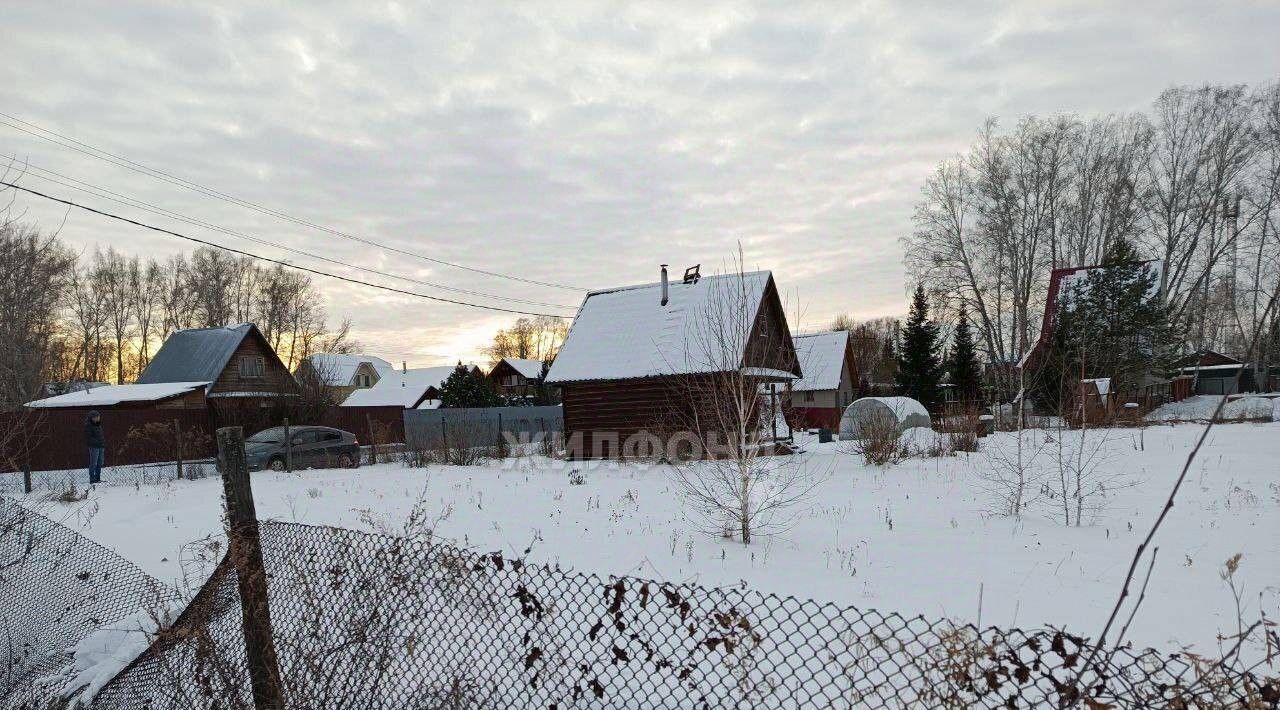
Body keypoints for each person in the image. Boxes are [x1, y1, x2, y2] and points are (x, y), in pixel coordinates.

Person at [86, 410, 105, 485]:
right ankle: (92, 479)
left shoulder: (98, 425)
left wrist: (102, 442)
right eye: (96, 417)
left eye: (98, 416)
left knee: (100, 462)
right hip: (94, 447)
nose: (98, 418)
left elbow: (101, 435)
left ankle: (98, 478)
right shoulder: (88, 425)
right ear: (92, 418)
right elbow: (88, 437)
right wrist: (97, 442)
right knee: (93, 463)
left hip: (101, 446)